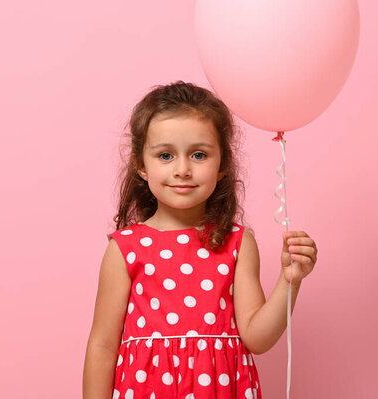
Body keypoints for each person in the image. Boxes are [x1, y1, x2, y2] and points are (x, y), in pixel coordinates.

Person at [83, 81, 318, 399]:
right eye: (165, 155)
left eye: (198, 154)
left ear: (222, 164)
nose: (182, 170)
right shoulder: (126, 248)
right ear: (141, 165)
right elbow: (102, 346)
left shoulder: (237, 242)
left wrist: (290, 281)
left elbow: (258, 338)